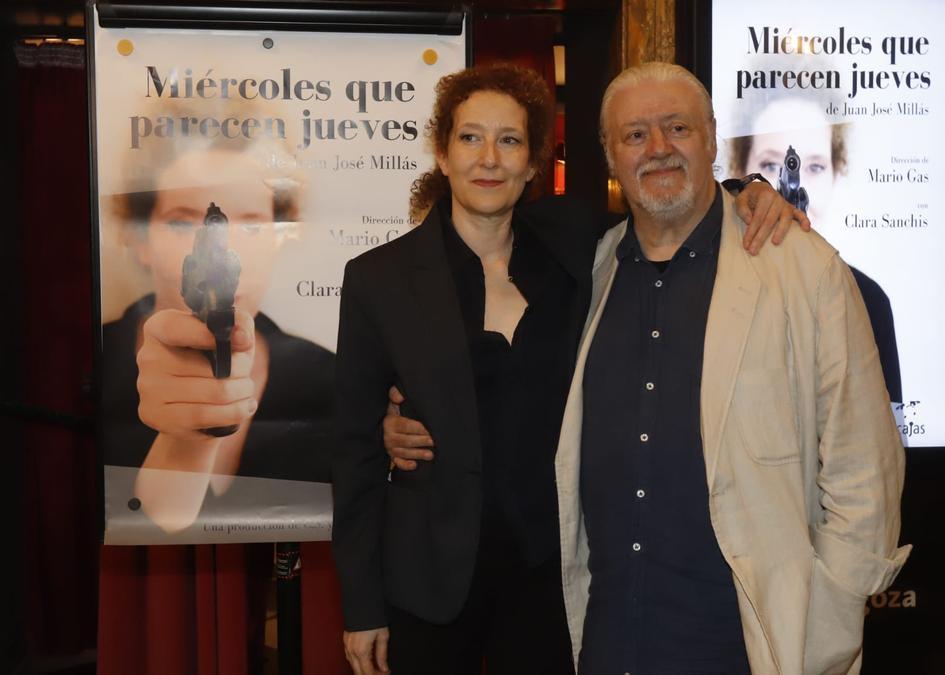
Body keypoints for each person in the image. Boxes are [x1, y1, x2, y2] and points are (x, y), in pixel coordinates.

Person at [332, 64, 803, 675]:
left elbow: (670, 199)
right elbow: (353, 455)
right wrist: (362, 605)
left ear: (532, 165)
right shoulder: (378, 280)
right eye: (470, 138)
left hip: (550, 577)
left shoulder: (576, 242)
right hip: (430, 581)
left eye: (510, 141)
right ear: (442, 155)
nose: (489, 159)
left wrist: (749, 189)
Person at [546, 62, 908, 674]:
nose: (658, 149)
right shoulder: (592, 270)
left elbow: (864, 471)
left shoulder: (804, 268)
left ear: (712, 137)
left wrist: (829, 620)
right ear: (609, 156)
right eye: (635, 135)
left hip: (747, 646)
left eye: (677, 127)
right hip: (611, 643)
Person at [101, 97, 334, 534]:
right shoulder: (83, 365)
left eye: (250, 224)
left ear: (279, 235)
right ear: (139, 238)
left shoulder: (332, 377)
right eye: (181, 222)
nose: (224, 253)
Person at [728, 81, 904, 406]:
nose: (792, 187)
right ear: (740, 172)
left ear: (837, 175)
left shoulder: (868, 301)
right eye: (769, 165)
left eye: (815, 167)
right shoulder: (713, 287)